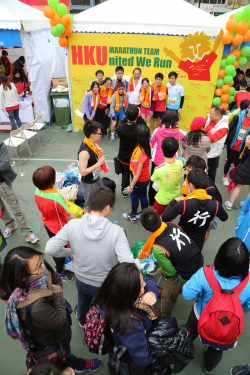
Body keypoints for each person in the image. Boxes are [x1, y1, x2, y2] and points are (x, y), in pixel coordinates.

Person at [0, 247, 102, 373]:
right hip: (52, 339)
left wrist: (55, 290)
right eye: (37, 268)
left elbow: (55, 278)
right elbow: (59, 320)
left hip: (52, 324)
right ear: (22, 277)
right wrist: (57, 292)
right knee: (65, 354)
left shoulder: (40, 272)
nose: (43, 267)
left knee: (65, 353)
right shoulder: (35, 307)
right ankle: (78, 365)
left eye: (41, 260)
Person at [45, 186, 135, 327]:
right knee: (105, 305)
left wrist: (71, 252)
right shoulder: (116, 231)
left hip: (81, 278)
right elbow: (129, 262)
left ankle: (82, 321)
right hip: (104, 283)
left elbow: (50, 248)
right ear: (107, 207)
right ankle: (103, 325)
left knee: (83, 301)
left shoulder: (73, 225)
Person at [183, 238, 250, 374]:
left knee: (188, 334)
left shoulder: (205, 273)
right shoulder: (248, 282)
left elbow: (187, 294)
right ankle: (208, 367)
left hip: (200, 316)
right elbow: (248, 305)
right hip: (226, 325)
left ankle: (183, 352)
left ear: (220, 256)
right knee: (216, 350)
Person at [96, 262, 159, 374]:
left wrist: (151, 292)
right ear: (130, 292)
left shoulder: (110, 296)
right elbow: (142, 358)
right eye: (141, 285)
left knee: (113, 362)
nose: (145, 283)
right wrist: (158, 355)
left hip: (115, 345)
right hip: (127, 359)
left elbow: (148, 280)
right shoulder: (131, 325)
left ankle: (111, 370)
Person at [140, 208, 203, 317]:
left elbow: (170, 272)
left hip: (185, 273)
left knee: (167, 296)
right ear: (160, 218)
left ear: (144, 228)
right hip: (198, 260)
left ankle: (162, 317)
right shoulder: (172, 225)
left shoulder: (157, 247)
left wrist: (161, 270)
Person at [162, 168, 228, 250]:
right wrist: (213, 199)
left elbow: (165, 217)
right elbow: (224, 217)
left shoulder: (184, 204)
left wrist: (173, 201)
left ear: (191, 184)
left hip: (181, 238)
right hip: (198, 242)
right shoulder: (215, 205)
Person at [33, 166, 75, 282]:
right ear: (51, 181)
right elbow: (68, 215)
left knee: (54, 246)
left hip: (48, 224)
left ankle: (59, 265)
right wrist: (82, 221)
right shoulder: (56, 197)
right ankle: (60, 271)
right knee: (60, 251)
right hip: (59, 228)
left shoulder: (37, 191)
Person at [0, 140, 39, 243]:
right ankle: (10, 225)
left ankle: (28, 234)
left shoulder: (0, 145)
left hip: (3, 184)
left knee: (16, 209)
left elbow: (4, 165)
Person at [180, 155, 223, 243]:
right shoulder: (189, 176)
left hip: (210, 209)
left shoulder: (208, 189)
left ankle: (198, 246)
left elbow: (214, 203)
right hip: (195, 202)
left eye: (190, 171)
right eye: (187, 169)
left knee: (205, 228)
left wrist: (211, 217)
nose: (187, 173)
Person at [149, 110, 185, 206]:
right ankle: (169, 202)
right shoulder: (178, 131)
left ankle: (152, 201)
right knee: (169, 182)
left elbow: (152, 144)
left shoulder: (157, 130)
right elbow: (186, 137)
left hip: (157, 161)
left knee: (153, 182)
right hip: (172, 161)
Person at [116, 105, 147, 198]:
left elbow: (122, 123)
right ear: (137, 116)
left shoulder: (120, 128)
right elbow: (146, 128)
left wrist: (126, 117)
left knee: (125, 175)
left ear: (125, 115)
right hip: (136, 158)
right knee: (136, 174)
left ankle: (124, 192)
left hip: (124, 157)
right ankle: (134, 189)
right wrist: (140, 117)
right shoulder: (140, 129)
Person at [122, 124, 151, 223]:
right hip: (145, 178)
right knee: (143, 196)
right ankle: (144, 214)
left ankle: (133, 216)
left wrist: (131, 186)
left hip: (139, 180)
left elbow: (137, 173)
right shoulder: (147, 146)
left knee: (134, 196)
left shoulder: (140, 153)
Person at [151, 137, 185, 216]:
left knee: (155, 217)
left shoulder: (159, 169)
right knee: (169, 216)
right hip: (175, 197)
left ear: (162, 150)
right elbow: (182, 159)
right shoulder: (181, 162)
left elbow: (152, 178)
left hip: (162, 200)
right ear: (176, 150)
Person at [78, 120, 105, 213]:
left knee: (98, 199)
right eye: (99, 133)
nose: (101, 134)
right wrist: (98, 163)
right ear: (92, 135)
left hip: (97, 178)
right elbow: (83, 172)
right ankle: (87, 223)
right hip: (89, 183)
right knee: (89, 206)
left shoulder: (93, 144)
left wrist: (99, 154)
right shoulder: (84, 152)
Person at [223, 107, 250, 187]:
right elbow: (230, 128)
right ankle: (225, 177)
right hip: (232, 143)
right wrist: (225, 142)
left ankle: (234, 179)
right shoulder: (238, 116)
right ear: (248, 108)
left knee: (238, 163)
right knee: (229, 161)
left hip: (242, 146)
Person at [225, 135, 250, 211]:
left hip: (246, 168)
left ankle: (230, 203)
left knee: (239, 187)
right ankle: (246, 205)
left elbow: (244, 156)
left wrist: (242, 164)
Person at [204, 105, 228, 182]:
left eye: (211, 113)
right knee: (200, 171)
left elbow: (212, 139)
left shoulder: (224, 127)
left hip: (213, 154)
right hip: (203, 150)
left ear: (218, 116)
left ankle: (210, 189)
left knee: (211, 173)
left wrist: (206, 129)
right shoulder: (208, 118)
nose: (209, 115)